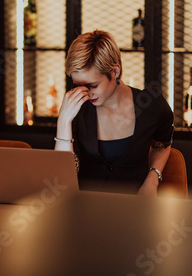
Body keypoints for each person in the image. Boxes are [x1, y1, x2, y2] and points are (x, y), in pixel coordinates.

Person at [55, 30, 174, 195]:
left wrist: (153, 178)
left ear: (115, 72)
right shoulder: (75, 109)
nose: (85, 93)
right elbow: (63, 180)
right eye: (77, 85)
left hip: (136, 210)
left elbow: (162, 146)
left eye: (93, 85)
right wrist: (63, 121)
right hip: (85, 211)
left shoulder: (152, 105)